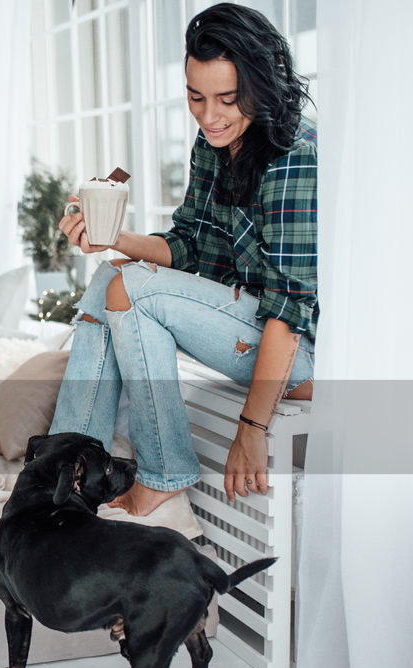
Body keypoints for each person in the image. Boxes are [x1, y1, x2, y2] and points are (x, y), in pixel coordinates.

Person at [50, 2, 317, 515]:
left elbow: (289, 306)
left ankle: (163, 472)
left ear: (260, 88)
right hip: (239, 323)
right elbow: (187, 246)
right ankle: (69, 472)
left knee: (131, 288)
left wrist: (252, 430)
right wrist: (113, 238)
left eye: (227, 99)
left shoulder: (293, 153)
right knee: (111, 274)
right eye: (196, 97)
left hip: (295, 353)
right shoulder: (213, 143)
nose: (209, 116)